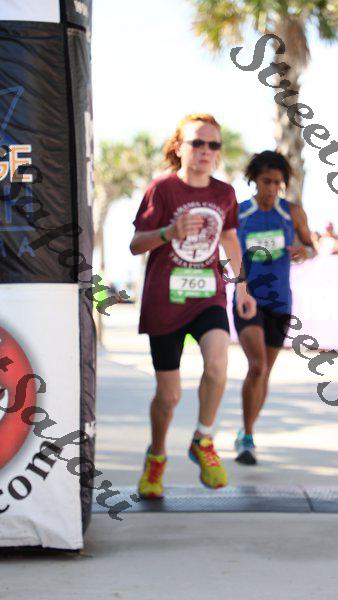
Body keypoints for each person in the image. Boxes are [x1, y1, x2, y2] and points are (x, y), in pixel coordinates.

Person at [130, 113, 256, 498]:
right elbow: (136, 244)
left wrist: (242, 288)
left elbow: (230, 238)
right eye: (197, 142)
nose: (205, 150)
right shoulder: (162, 189)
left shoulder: (224, 193)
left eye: (213, 145)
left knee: (218, 365)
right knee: (169, 396)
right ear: (179, 147)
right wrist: (169, 232)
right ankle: (156, 457)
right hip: (165, 300)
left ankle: (203, 439)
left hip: (207, 296)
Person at [233, 150, 315, 465]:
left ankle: (247, 430)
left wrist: (304, 252)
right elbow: (228, 251)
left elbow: (311, 246)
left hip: (280, 301)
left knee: (265, 372)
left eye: (277, 183)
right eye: (266, 181)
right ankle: (247, 437)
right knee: (257, 366)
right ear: (254, 179)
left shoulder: (292, 212)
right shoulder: (240, 213)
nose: (271, 188)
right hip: (248, 298)